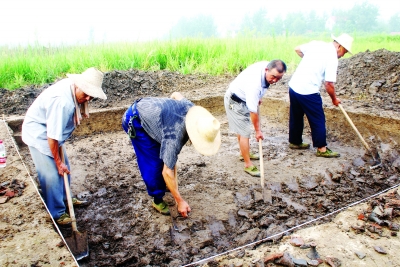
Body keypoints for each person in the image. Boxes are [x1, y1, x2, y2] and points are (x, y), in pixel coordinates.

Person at [22, 67, 107, 225]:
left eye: (92, 95)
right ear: (78, 85)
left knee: (65, 167)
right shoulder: (63, 103)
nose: (88, 98)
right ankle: (57, 212)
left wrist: (61, 163)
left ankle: (65, 198)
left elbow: (57, 133)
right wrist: (57, 163)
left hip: (52, 132)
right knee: (52, 174)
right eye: (86, 93)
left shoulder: (73, 90)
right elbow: (52, 137)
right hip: (39, 133)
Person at [122, 92, 221, 218]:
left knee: (167, 155)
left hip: (148, 109)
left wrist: (165, 115)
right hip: (135, 120)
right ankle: (157, 199)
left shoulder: (190, 108)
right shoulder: (175, 136)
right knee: (154, 164)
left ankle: (168, 185)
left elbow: (176, 94)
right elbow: (167, 171)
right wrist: (180, 201)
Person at [288, 33, 353, 157]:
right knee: (318, 119)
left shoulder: (316, 44)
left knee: (296, 116)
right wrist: (334, 99)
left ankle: (295, 142)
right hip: (308, 90)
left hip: (294, 86)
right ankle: (322, 149)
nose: (342, 55)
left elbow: (297, 49)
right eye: (344, 52)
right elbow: (329, 84)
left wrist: (310, 64)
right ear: (340, 46)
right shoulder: (332, 58)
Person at [224, 60, 287, 177]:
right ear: (266, 70)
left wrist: (258, 96)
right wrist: (258, 131)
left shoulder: (268, 66)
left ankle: (244, 154)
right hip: (234, 101)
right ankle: (248, 165)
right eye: (273, 77)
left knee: (242, 130)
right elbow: (253, 111)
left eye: (279, 78)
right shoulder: (255, 85)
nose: (275, 81)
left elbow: (258, 91)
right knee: (244, 132)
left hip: (242, 96)